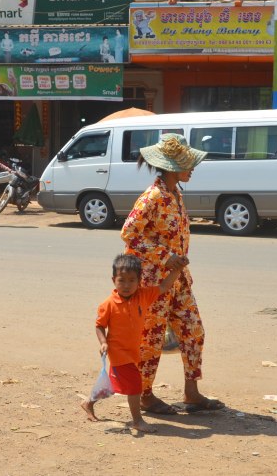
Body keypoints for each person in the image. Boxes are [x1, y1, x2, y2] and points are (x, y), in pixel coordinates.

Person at [121, 133, 225, 414]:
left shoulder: (175, 193)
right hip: (153, 282)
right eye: (188, 164)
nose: (192, 168)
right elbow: (129, 234)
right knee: (152, 339)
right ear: (171, 167)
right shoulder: (153, 197)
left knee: (193, 331)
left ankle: (192, 393)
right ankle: (144, 395)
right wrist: (167, 257)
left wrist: (175, 264)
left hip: (178, 280)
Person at [81, 253, 187, 432]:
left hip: (133, 351)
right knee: (136, 386)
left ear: (139, 281)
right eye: (122, 280)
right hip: (118, 351)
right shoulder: (108, 304)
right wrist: (103, 343)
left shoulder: (143, 296)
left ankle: (88, 402)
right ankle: (137, 420)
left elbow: (163, 286)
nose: (126, 285)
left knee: (115, 386)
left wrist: (177, 270)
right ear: (113, 280)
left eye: (131, 280)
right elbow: (99, 326)